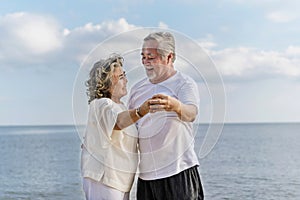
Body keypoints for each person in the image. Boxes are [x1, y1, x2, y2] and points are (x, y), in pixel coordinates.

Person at [128, 32, 204, 199]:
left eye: (150, 57)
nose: (145, 62)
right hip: (146, 177)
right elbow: (129, 127)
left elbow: (191, 114)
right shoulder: (137, 89)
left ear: (169, 57)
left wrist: (175, 106)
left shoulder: (184, 83)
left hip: (179, 172)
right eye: (143, 56)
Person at [81, 54, 150, 200]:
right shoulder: (101, 104)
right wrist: (141, 111)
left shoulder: (121, 107)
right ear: (107, 82)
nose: (126, 80)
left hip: (120, 182)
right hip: (104, 179)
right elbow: (118, 122)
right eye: (121, 76)